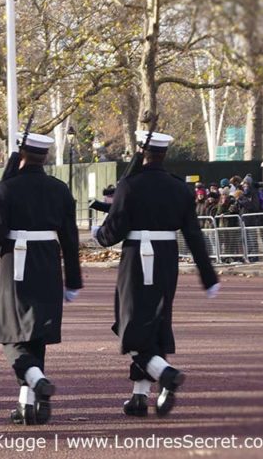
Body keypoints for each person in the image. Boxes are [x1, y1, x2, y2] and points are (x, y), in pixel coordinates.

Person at [94, 130, 220, 418]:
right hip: (166, 258)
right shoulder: (178, 188)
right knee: (155, 322)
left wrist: (98, 235)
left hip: (137, 256)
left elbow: (114, 230)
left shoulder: (130, 184)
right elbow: (193, 235)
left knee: (130, 324)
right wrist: (208, 275)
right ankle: (139, 396)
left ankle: (165, 374)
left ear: (142, 151)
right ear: (164, 154)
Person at [0, 133, 83, 426]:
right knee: (36, 334)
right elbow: (70, 238)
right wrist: (73, 279)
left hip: (17, 261)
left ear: (21, 154)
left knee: (12, 335)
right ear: (46, 156)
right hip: (49, 261)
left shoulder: (8, 187)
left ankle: (37, 381)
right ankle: (29, 405)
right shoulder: (59, 188)